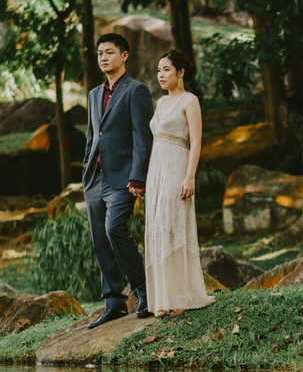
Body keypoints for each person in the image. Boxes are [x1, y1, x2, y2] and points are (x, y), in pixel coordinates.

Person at [82, 33, 154, 328]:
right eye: (100, 53)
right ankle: (113, 302)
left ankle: (144, 290)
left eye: (109, 52)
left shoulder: (136, 91)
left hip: (123, 178)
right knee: (100, 239)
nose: (103, 57)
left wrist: (139, 176)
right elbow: (91, 136)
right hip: (94, 179)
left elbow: (142, 136)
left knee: (115, 230)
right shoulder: (93, 95)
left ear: (124, 55)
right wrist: (86, 168)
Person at [144, 49, 214, 315]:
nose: (161, 75)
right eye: (159, 70)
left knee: (174, 227)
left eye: (166, 70)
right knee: (159, 228)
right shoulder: (160, 103)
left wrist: (189, 176)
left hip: (177, 166)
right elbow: (155, 139)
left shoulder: (190, 100)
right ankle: (164, 298)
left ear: (180, 72)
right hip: (157, 169)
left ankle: (181, 297)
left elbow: (196, 141)